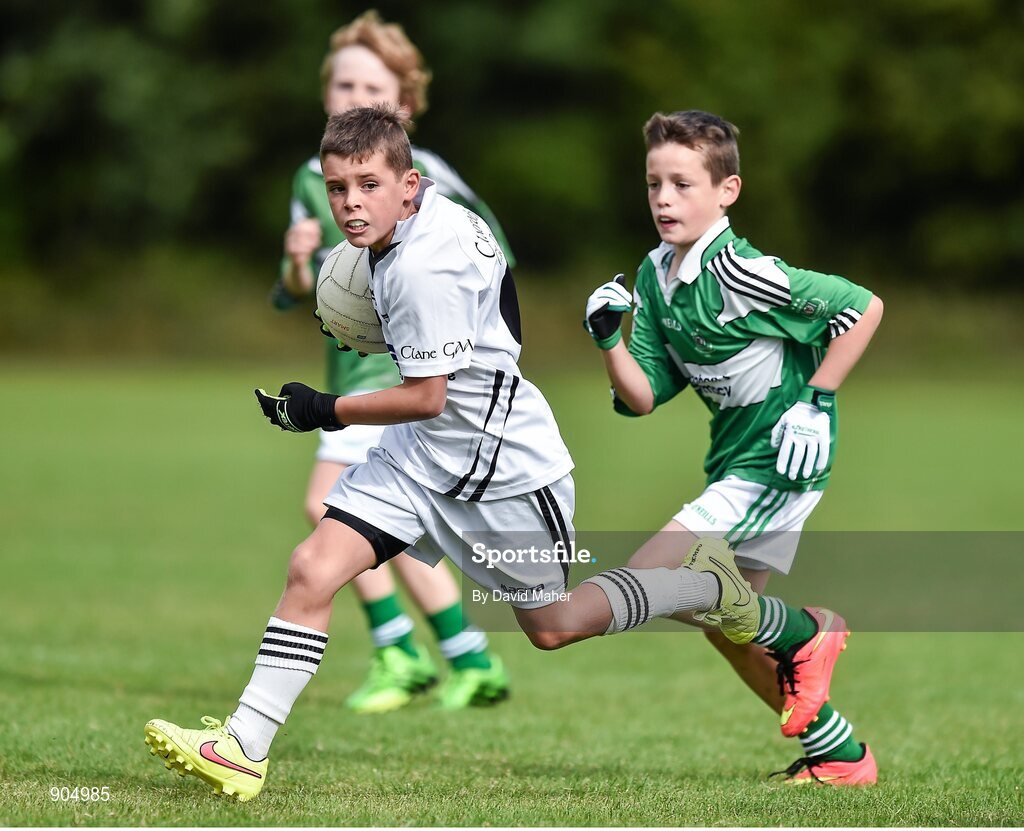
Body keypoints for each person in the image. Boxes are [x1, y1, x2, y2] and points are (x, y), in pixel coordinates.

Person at [144, 104, 757, 802]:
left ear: (408, 184)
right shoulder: (430, 208)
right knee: (313, 564)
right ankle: (242, 747)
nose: (350, 203)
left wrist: (322, 407)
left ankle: (698, 585)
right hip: (418, 459)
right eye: (339, 187)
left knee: (552, 627)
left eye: (368, 185)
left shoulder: (420, 270)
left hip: (507, 473)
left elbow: (427, 395)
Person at [583, 110, 884, 786]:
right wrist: (607, 338)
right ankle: (839, 755)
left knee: (654, 575)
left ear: (727, 191)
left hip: (780, 457)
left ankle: (808, 631)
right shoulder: (656, 278)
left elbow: (863, 307)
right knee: (728, 623)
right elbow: (643, 394)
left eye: (683, 184)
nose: (664, 198)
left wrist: (819, 398)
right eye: (654, 183)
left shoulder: (744, 272)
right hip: (733, 460)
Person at [271, 11, 516, 712]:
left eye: (370, 86)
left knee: (332, 506)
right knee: (377, 521)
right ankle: (464, 657)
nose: (352, 96)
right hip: (351, 370)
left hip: (407, 374)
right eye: (342, 83)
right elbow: (298, 294)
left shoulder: (424, 178)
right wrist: (295, 262)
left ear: (403, 105)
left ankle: (402, 649)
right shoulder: (310, 178)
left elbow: (494, 258)